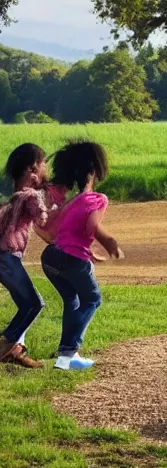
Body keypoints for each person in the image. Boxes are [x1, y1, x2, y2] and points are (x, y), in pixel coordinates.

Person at [40, 140, 124, 371]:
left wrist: (87, 252)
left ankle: (67, 355)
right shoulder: (97, 199)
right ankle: (68, 355)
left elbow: (51, 232)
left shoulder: (70, 202)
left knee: (72, 299)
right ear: (95, 171)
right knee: (92, 300)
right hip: (71, 259)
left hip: (50, 257)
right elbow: (91, 226)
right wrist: (110, 243)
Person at [0, 143, 66, 368]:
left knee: (24, 304)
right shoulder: (29, 196)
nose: (46, 168)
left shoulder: (15, 196)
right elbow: (43, 217)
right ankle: (5, 344)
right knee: (34, 304)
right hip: (6, 258)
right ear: (33, 169)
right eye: (44, 163)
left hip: (6, 258)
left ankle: (14, 350)